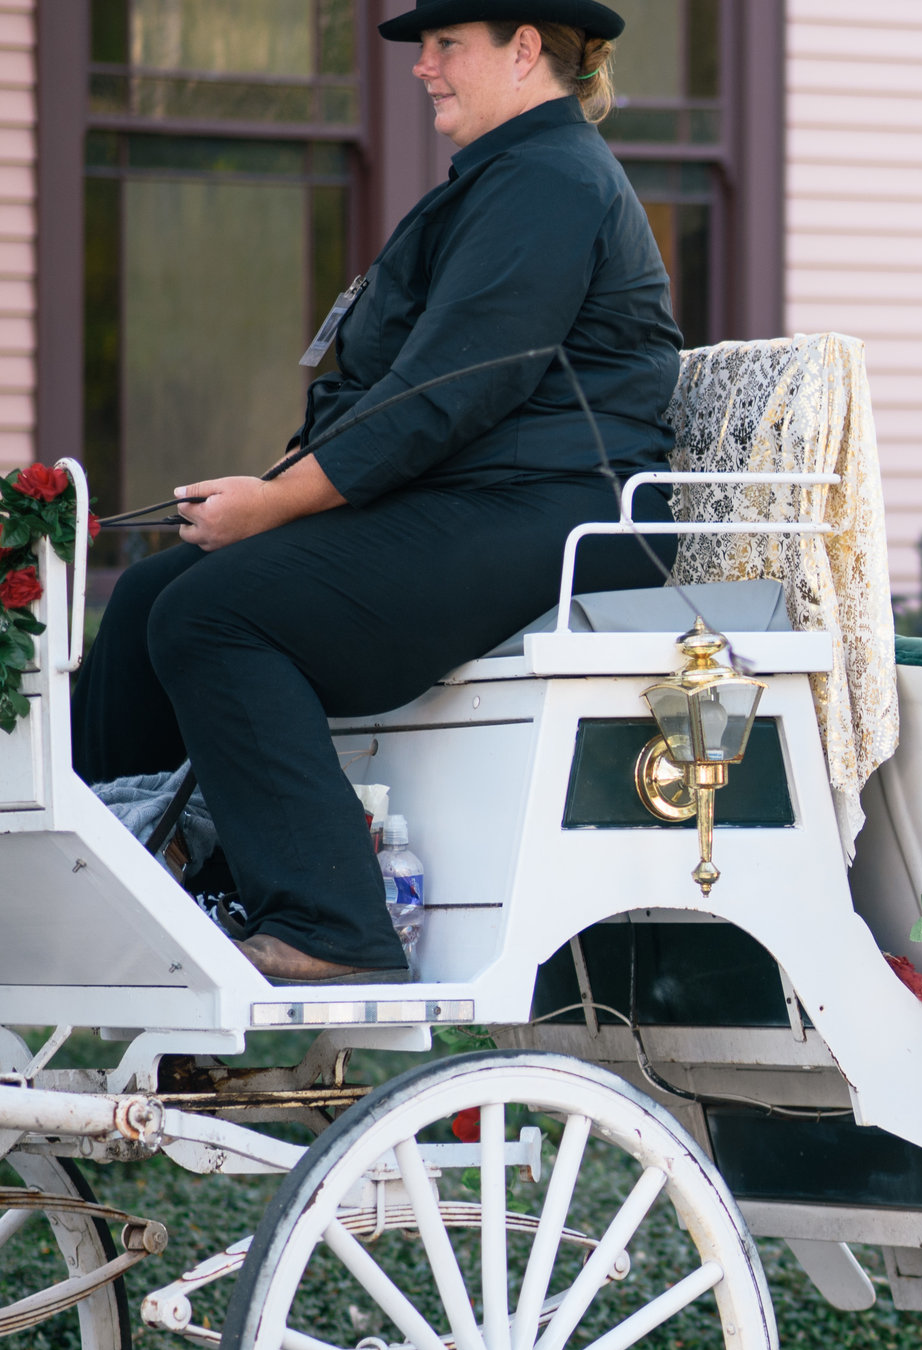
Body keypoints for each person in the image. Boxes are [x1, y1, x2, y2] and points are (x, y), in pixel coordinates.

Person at [71, 0, 681, 985]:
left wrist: (278, 503)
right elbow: (412, 395)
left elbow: (448, 390)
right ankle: (132, 881)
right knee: (149, 596)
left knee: (212, 613)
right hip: (487, 496)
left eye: (446, 45)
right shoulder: (506, 177)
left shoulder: (552, 183)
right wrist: (277, 491)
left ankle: (331, 925)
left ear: (523, 48)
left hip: (557, 512)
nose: (422, 67)